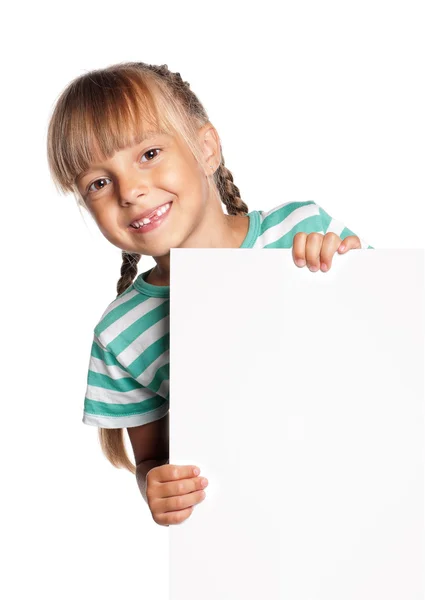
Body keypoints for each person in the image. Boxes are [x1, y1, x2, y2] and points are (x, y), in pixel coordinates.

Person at [46, 61, 374, 527]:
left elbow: (396, 340)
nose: (131, 190)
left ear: (205, 149)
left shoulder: (301, 230)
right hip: (255, 537)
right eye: (99, 182)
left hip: (365, 502)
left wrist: (349, 269)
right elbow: (152, 462)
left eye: (149, 153)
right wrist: (154, 487)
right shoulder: (119, 334)